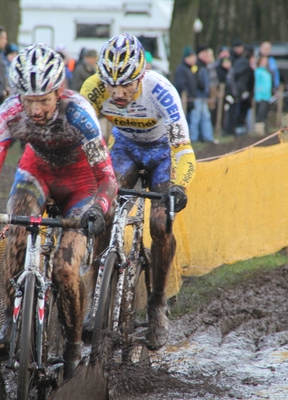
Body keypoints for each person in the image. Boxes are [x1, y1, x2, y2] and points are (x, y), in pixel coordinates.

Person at [0, 44, 117, 377]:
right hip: (35, 174)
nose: (35, 110)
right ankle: (10, 321)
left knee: (65, 269)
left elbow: (107, 177)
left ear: (59, 91)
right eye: (28, 100)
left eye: (44, 100)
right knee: (18, 234)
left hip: (81, 185)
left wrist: (99, 208)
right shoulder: (9, 112)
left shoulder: (79, 113)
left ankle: (73, 348)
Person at [81, 33, 196, 351]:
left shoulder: (161, 91)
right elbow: (78, 133)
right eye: (111, 85)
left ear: (141, 75)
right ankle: (97, 298)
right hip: (126, 149)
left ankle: (157, 305)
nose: (117, 94)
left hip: (162, 154)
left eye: (126, 86)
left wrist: (179, 186)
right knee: (101, 209)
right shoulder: (93, 89)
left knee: (160, 224)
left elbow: (183, 148)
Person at [191, 46, 214, 143]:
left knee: (206, 116)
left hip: (203, 96)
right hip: (198, 96)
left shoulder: (205, 66)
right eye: (205, 53)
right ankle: (193, 138)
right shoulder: (197, 66)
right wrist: (202, 87)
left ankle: (208, 137)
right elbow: (195, 80)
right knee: (195, 118)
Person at [173, 45, 197, 122]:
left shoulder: (190, 69)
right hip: (184, 102)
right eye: (192, 57)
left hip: (189, 102)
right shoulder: (181, 69)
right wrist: (188, 96)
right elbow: (180, 85)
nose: (194, 59)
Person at [254, 55, 272, 129]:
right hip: (260, 95)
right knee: (260, 113)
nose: (265, 63)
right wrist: (257, 95)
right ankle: (258, 129)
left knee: (265, 113)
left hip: (267, 95)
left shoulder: (267, 72)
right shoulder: (258, 72)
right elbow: (256, 83)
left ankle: (264, 128)